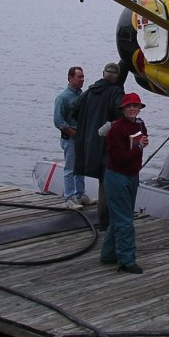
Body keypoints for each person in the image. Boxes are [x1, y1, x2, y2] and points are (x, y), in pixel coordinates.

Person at [101, 92, 149, 273]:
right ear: (122, 109)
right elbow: (120, 158)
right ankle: (127, 260)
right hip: (116, 176)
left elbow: (142, 139)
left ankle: (108, 254)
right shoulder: (116, 129)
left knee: (120, 217)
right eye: (129, 106)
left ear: (139, 108)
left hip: (132, 175)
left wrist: (143, 141)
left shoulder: (140, 123)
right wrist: (139, 147)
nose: (132, 109)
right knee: (125, 221)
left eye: (135, 106)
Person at [74, 61, 124, 230]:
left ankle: (104, 220)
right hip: (107, 145)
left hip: (89, 144)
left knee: (102, 181)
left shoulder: (90, 91)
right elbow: (120, 116)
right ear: (116, 78)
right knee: (107, 183)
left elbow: (74, 108)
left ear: (103, 74)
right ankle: (105, 222)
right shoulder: (116, 91)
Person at [54, 65, 90, 209]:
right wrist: (73, 133)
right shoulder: (62, 97)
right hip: (70, 138)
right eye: (79, 77)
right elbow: (58, 121)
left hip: (81, 137)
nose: (82, 79)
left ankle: (80, 194)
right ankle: (68, 198)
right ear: (70, 78)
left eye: (83, 76)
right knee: (70, 168)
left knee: (80, 166)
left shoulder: (82, 95)